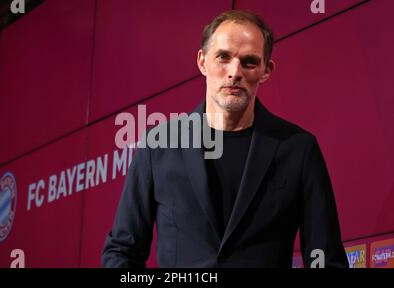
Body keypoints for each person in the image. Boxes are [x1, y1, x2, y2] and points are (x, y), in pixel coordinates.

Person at [102, 10, 348, 268]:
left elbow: (325, 256)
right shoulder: (159, 146)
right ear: (202, 61)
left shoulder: (298, 150)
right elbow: (122, 252)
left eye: (249, 61)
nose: (234, 72)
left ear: (266, 70)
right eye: (223, 57)